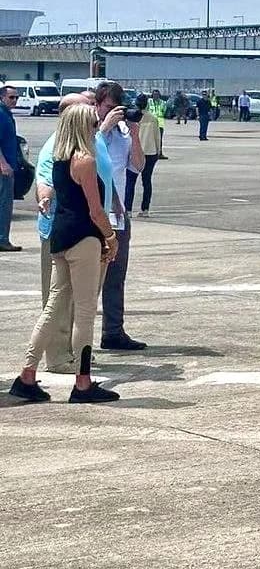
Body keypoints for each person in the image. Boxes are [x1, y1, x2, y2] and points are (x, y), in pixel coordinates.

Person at [9, 103, 120, 404]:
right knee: (84, 312)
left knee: (54, 306)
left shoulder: (59, 159)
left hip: (60, 236)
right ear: (84, 127)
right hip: (84, 238)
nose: (97, 127)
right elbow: (95, 210)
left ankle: (27, 374)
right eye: (94, 123)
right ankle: (82, 383)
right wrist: (111, 237)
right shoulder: (85, 160)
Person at [34, 90, 115, 373]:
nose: (94, 112)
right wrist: (110, 236)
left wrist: (116, 209)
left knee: (78, 299)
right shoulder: (59, 147)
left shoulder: (94, 141)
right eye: (88, 108)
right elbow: (44, 181)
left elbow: (106, 178)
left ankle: (70, 356)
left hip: (91, 230)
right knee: (67, 304)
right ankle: (60, 358)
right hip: (74, 231)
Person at [95, 81, 147, 352]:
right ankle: (74, 339)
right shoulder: (90, 128)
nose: (114, 113)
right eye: (108, 108)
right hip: (92, 213)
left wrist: (135, 134)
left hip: (118, 215)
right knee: (87, 279)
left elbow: (137, 166)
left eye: (118, 109)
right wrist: (104, 127)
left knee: (116, 276)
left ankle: (113, 331)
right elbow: (87, 154)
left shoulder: (125, 133)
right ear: (97, 105)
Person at [125, 94, 160, 217]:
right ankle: (145, 209)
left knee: (130, 181)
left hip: (136, 151)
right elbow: (157, 137)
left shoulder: (132, 118)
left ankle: (128, 209)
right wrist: (158, 151)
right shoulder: (153, 118)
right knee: (147, 181)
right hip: (150, 152)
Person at [0, 84, 21, 252]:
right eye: (11, 97)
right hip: (3, 169)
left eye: (16, 97)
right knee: (4, 205)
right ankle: (2, 240)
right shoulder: (1, 114)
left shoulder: (6, 114)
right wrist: (3, 163)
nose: (14, 100)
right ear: (2, 97)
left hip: (9, 166)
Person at [147, 89, 168, 159]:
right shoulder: (149, 102)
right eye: (154, 94)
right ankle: (150, 153)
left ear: (159, 95)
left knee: (159, 139)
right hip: (150, 123)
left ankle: (159, 153)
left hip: (160, 123)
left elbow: (164, 111)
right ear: (152, 95)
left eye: (157, 95)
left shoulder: (163, 103)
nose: (155, 96)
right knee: (150, 139)